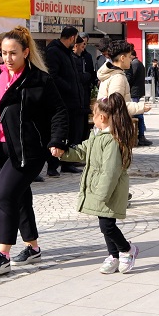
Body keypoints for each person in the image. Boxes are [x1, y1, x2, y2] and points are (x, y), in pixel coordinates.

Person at [0, 26, 68, 275]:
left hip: (29, 149)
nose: (8, 58)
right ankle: (33, 247)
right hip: (0, 147)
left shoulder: (39, 80)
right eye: (4, 53)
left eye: (13, 53)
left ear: (26, 52)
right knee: (19, 196)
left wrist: (57, 140)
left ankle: (3, 254)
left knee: (5, 194)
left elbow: (59, 111)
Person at [57, 93, 139, 274]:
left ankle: (127, 249)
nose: (92, 118)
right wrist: (63, 153)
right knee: (106, 224)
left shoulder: (111, 141)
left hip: (110, 191)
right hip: (102, 191)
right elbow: (82, 151)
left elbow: (110, 172)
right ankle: (114, 256)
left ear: (101, 117)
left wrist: (101, 194)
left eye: (93, 115)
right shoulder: (97, 136)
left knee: (107, 225)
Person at [43, 26, 85, 176]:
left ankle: (67, 163)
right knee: (59, 133)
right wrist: (69, 87)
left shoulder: (67, 52)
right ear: (72, 37)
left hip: (72, 101)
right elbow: (52, 76)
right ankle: (52, 166)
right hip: (61, 100)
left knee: (71, 133)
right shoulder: (54, 51)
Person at [96, 40, 152, 129]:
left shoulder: (111, 73)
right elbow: (115, 105)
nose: (131, 60)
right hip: (114, 125)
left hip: (108, 124)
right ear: (122, 58)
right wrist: (140, 107)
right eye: (129, 57)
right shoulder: (118, 78)